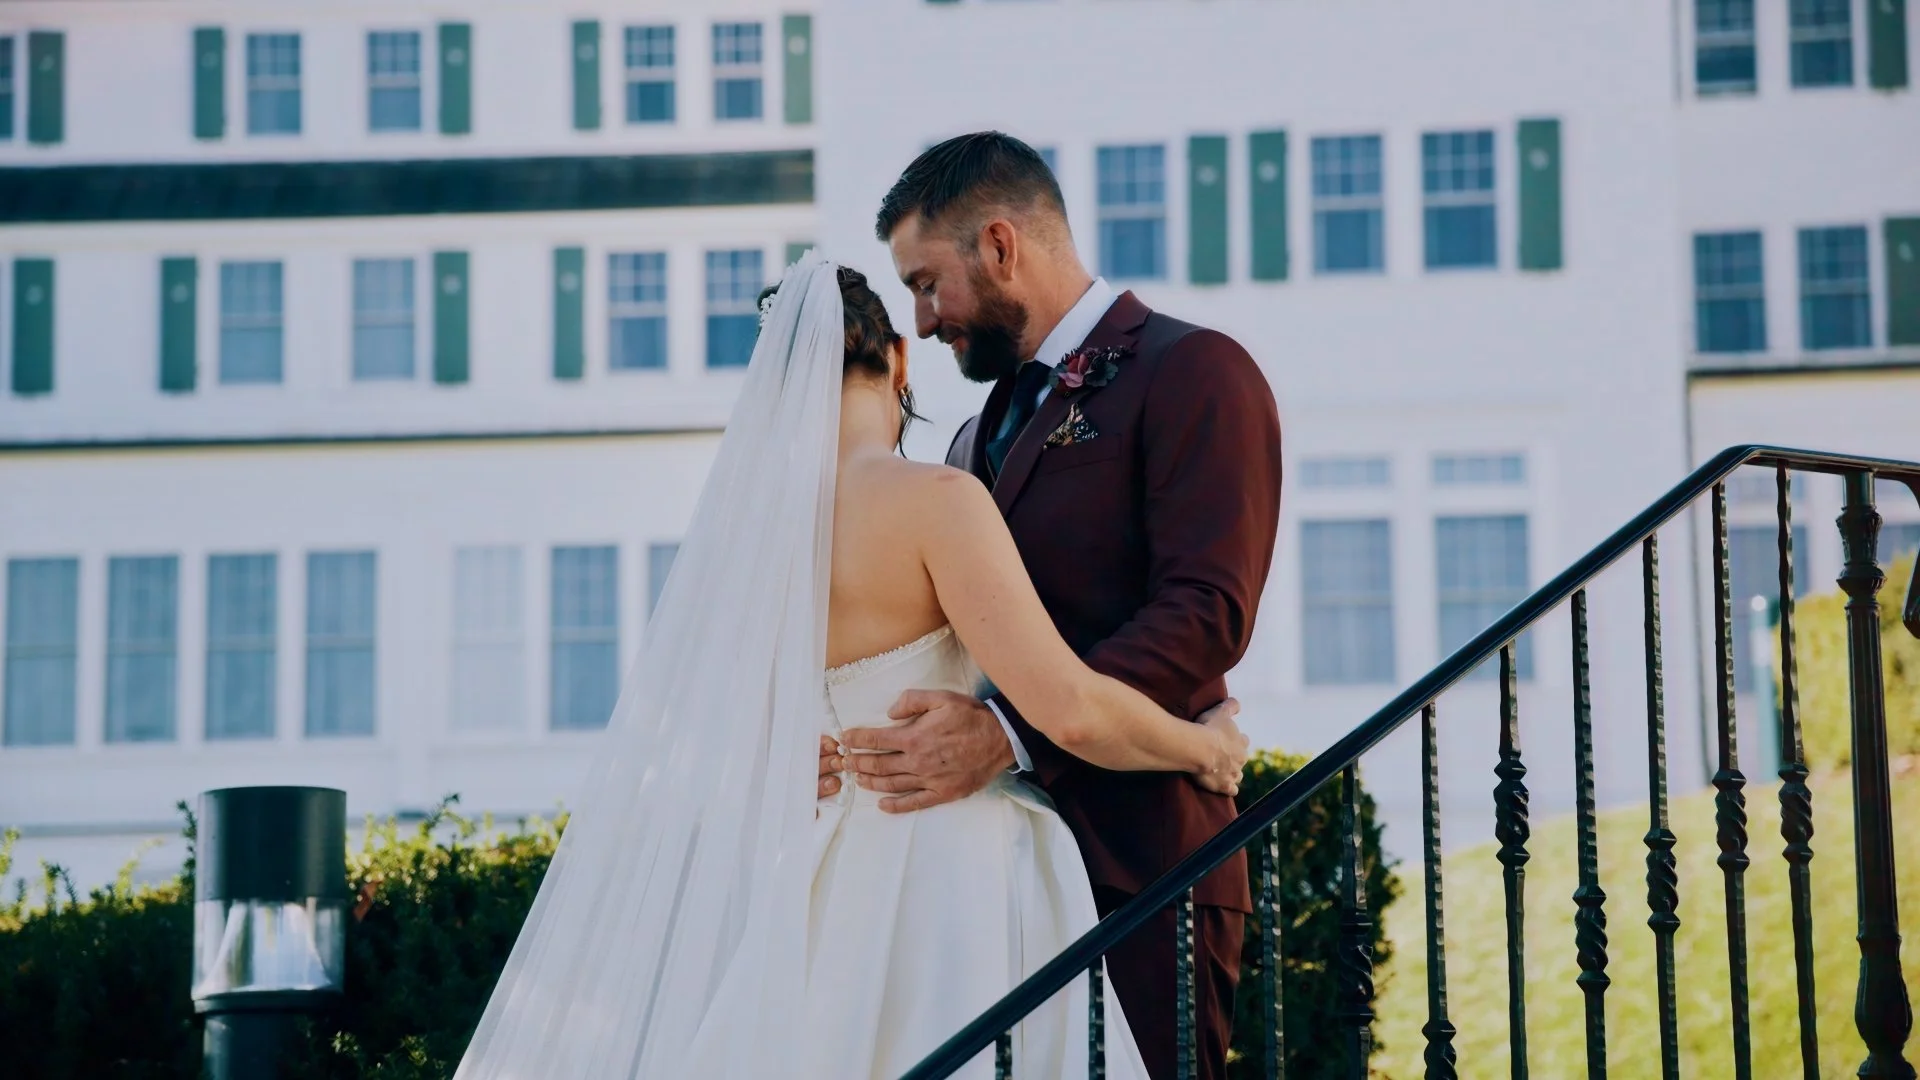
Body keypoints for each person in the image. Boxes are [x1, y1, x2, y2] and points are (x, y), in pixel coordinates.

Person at [453, 254, 1250, 1080]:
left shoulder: (749, 548)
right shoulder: (936, 501)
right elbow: (1072, 709)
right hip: (952, 869)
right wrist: (1205, 750)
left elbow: (757, 742)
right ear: (897, 359)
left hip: (823, 875)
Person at [826, 132, 1284, 1080]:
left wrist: (1009, 734)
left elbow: (1207, 613)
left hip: (1141, 861)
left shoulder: (1195, 372)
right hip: (975, 888)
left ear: (999, 246)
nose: (921, 318)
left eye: (925, 283)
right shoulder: (966, 439)